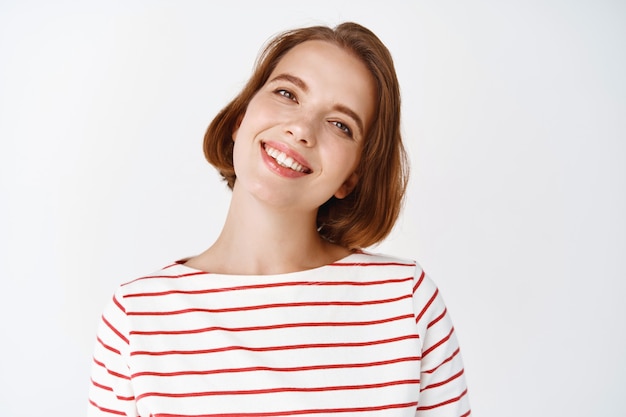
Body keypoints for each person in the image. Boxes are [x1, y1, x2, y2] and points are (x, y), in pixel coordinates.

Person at [88, 22, 470, 417]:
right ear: (241, 118)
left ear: (353, 175)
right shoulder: (137, 318)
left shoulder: (406, 303)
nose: (302, 130)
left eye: (341, 125)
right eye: (287, 93)